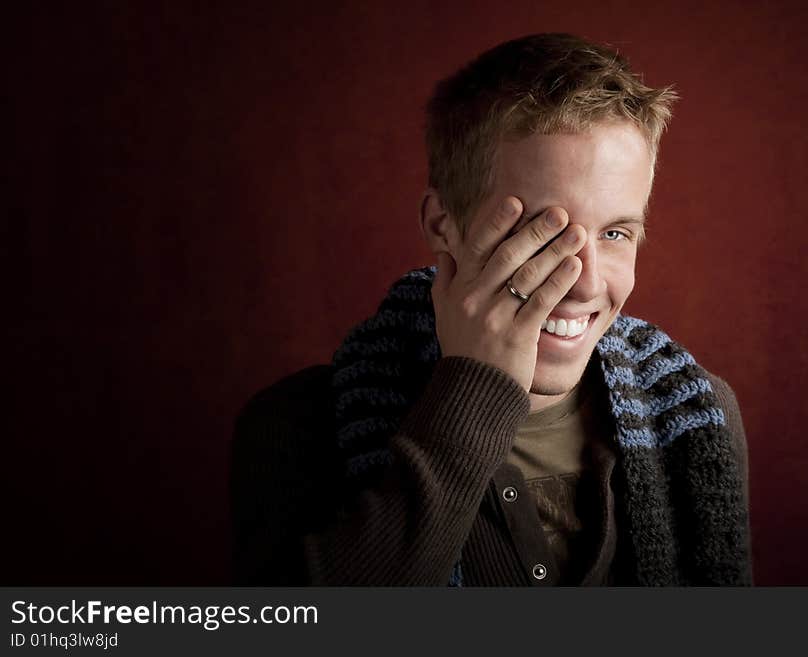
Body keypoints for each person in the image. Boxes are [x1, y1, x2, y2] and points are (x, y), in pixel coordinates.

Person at [230, 33, 752, 586]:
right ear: (442, 225)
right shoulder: (295, 426)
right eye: (541, 232)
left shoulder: (697, 415)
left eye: (617, 232)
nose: (587, 284)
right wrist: (472, 385)